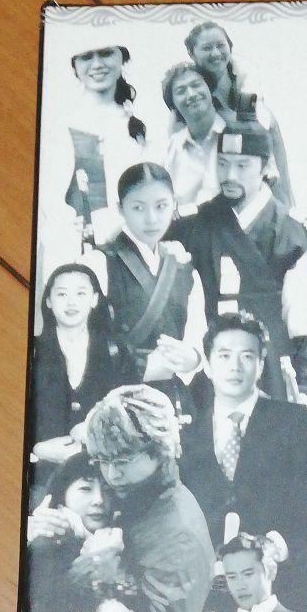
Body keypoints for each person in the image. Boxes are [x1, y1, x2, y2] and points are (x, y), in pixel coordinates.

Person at [181, 313, 307, 612]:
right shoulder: (186, 437)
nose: (235, 366)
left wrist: (274, 546)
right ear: (208, 366)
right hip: (208, 605)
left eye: (247, 356)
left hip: (285, 598)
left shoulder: (295, 422)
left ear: (261, 365)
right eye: (224, 356)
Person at [167, 111, 307, 401]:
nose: (230, 176)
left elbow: (301, 322)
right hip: (208, 372)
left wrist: (305, 389)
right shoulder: (194, 225)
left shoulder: (290, 232)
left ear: (266, 166)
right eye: (223, 164)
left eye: (242, 165)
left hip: (270, 373)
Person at [74, 385, 214, 612]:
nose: (112, 474)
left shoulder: (179, 535)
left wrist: (109, 575)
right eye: (103, 461)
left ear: (159, 450)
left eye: (123, 461)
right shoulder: (137, 498)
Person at [85, 163, 207, 423]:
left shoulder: (183, 268)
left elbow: (198, 332)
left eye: (161, 206)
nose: (152, 218)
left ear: (174, 204)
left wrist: (193, 359)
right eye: (138, 208)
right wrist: (140, 367)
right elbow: (85, 341)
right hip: (116, 402)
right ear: (120, 209)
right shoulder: (98, 263)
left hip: (174, 402)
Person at [38, 28, 155, 275]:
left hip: (133, 247)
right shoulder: (61, 122)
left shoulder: (139, 123)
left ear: (122, 58)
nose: (97, 64)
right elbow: (52, 203)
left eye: (105, 54)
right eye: (87, 57)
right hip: (76, 247)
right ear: (75, 65)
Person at [29, 263, 127, 498]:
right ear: (49, 300)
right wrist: (36, 447)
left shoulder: (115, 351)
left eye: (81, 293)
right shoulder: (32, 350)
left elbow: (130, 407)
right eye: (62, 294)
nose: (71, 302)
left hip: (102, 481)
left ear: (94, 299)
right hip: (41, 479)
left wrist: (93, 425)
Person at [182, 20, 295, 208]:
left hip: (261, 157)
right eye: (207, 48)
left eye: (220, 45)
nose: (215, 53)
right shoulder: (191, 89)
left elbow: (263, 129)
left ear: (230, 46)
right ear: (192, 53)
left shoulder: (247, 80)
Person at [24, 452, 112, 612]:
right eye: (85, 488)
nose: (99, 500)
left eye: (107, 489)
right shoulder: (46, 546)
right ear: (61, 497)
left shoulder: (114, 540)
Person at [162, 63, 226, 210]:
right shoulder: (170, 149)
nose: (191, 94)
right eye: (181, 91)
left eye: (196, 85)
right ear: (173, 104)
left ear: (210, 89)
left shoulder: (238, 133)